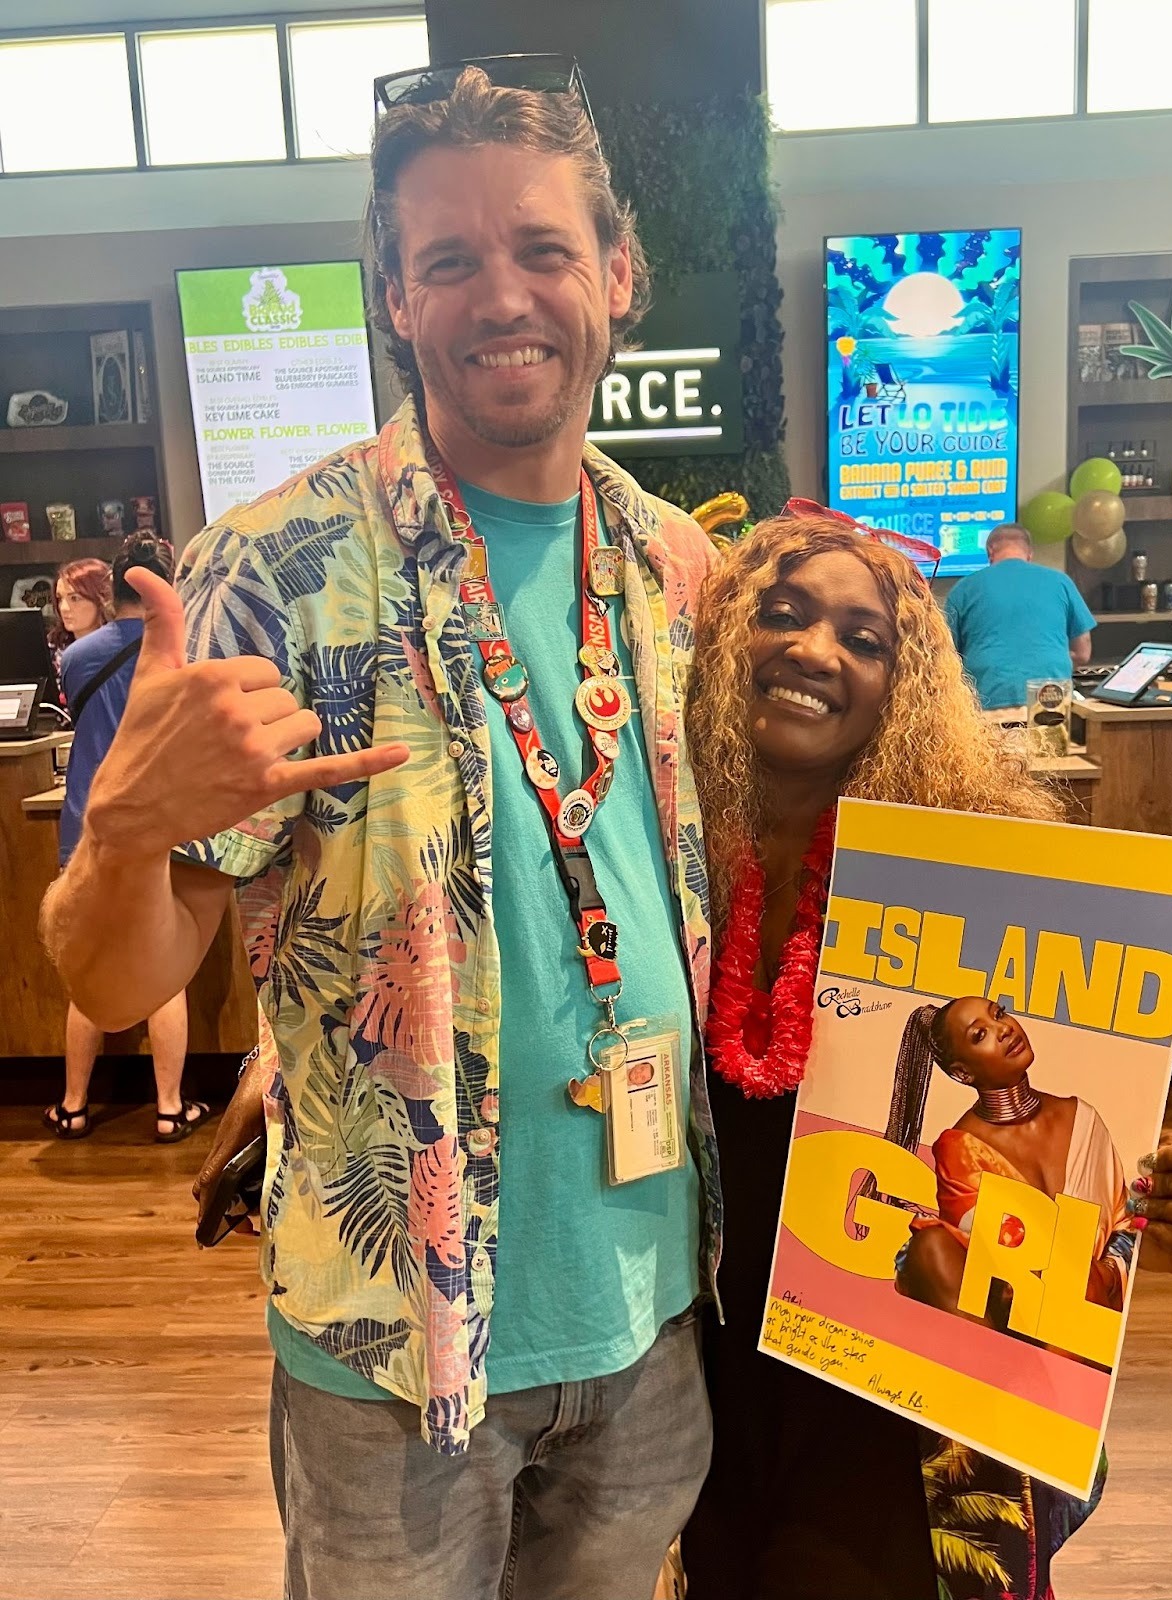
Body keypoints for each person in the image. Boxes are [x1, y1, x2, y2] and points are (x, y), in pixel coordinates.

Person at [41, 62, 718, 1600]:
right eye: (450, 260)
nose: (504, 296)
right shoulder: (264, 571)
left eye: (543, 249)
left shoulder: (673, 567)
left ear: (615, 275)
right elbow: (103, 976)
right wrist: (126, 834)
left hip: (657, 1303)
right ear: (396, 300)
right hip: (390, 1344)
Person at [678, 507, 1172, 1600]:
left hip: (887, 1408)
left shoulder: (984, 893)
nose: (813, 650)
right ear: (719, 643)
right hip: (687, 1393)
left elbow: (1073, 1162)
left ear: (905, 682)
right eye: (783, 614)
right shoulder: (648, 859)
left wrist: (1162, 1192)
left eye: (863, 637)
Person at [42, 535, 201, 1144]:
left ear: (114, 587)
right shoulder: (187, 652)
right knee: (165, 970)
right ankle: (168, 1107)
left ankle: (74, 1105)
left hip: (89, 824)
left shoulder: (80, 657)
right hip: (163, 822)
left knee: (90, 967)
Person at [891, 1000, 1134, 1321]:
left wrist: (1105, 1274)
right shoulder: (961, 1148)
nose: (1004, 1029)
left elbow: (1124, 1222)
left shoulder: (1084, 1117)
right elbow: (998, 1254)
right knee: (929, 1247)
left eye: (999, 1013)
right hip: (1013, 1312)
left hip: (1093, 1306)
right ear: (962, 1073)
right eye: (980, 1034)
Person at [945, 522, 1095, 710]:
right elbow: (1083, 652)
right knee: (1050, 738)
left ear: (990, 551)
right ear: (1029, 554)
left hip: (988, 698)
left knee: (996, 740)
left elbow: (946, 656)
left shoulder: (964, 588)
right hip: (1050, 697)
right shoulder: (1061, 582)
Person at [49, 556, 113, 689]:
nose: (64, 608)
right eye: (60, 598)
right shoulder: (52, 648)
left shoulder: (120, 648)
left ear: (102, 600)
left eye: (74, 598)